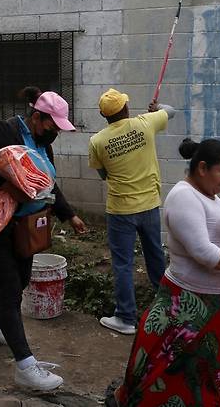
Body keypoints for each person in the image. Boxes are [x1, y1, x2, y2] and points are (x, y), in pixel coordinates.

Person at [111, 138, 220, 407]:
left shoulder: (207, 195)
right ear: (202, 168)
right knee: (171, 362)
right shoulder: (184, 196)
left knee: (204, 367)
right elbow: (203, 252)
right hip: (191, 303)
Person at [0, 87, 87, 391]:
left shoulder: (42, 142)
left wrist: (68, 214)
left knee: (21, 278)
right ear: (36, 117)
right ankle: (26, 368)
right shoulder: (2, 132)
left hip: (24, 226)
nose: (54, 133)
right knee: (10, 288)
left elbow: (46, 181)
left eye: (58, 129)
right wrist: (8, 185)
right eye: (51, 126)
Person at [88, 88, 175, 335]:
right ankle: (167, 308)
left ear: (104, 115)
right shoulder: (145, 123)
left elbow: (103, 173)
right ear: (126, 108)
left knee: (123, 264)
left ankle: (126, 318)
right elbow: (172, 112)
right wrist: (157, 109)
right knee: (155, 255)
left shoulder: (97, 141)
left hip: (120, 209)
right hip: (149, 205)